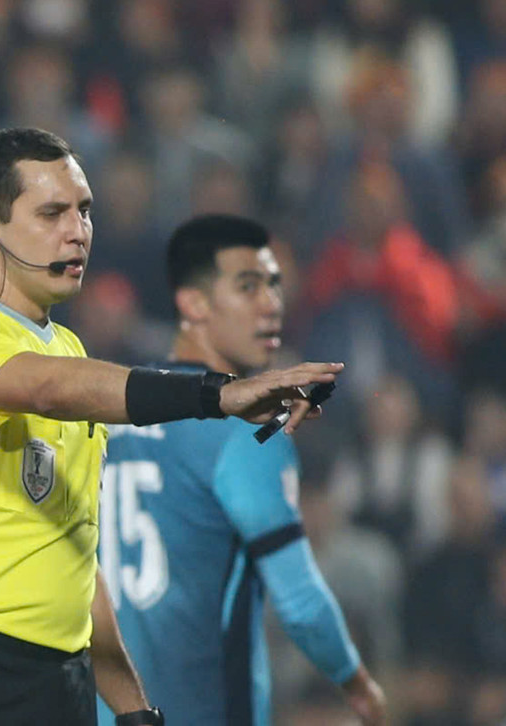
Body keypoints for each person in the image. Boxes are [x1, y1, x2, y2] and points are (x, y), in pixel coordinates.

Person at [0, 128, 342, 726]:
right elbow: (46, 388)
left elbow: (74, 551)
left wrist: (134, 709)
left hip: (61, 682)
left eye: (85, 210)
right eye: (52, 213)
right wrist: (216, 394)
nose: (78, 231)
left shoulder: (70, 350)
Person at [95, 215, 387, 725]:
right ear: (194, 304)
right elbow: (300, 603)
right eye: (248, 287)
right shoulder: (247, 430)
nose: (270, 303)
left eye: (274, 285)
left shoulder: (106, 416)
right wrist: (360, 687)